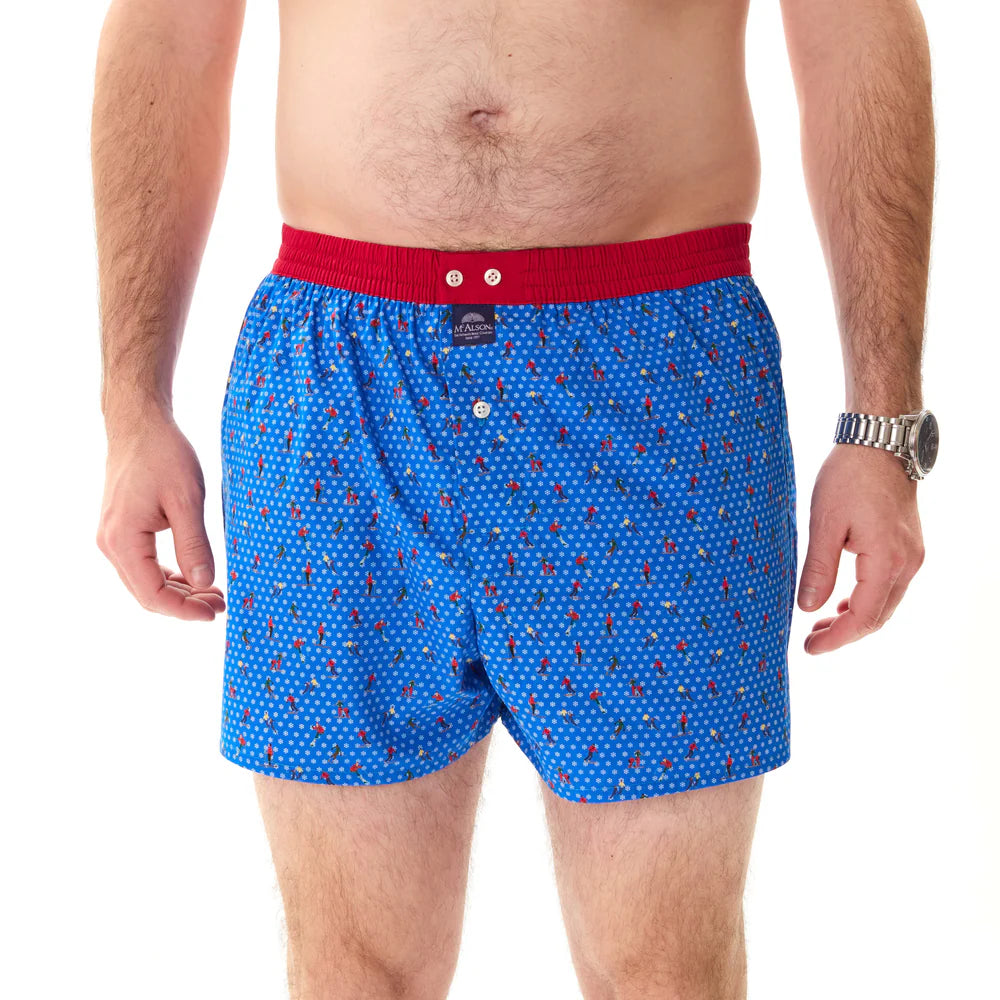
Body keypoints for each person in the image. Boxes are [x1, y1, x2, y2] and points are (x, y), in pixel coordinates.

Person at [91, 1, 934, 997]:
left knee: (664, 970)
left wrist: (883, 426)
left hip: (658, 380)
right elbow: (167, 31)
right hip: (342, 382)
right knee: (354, 969)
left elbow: (855, 24)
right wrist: (132, 404)